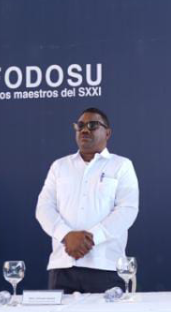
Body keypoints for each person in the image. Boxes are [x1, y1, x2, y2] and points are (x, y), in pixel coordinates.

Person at [36, 107, 139, 293]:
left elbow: (127, 210)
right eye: (80, 125)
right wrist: (67, 236)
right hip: (63, 266)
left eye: (92, 125)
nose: (85, 130)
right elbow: (43, 208)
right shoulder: (59, 166)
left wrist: (90, 240)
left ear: (107, 133)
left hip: (105, 266)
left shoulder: (121, 165)